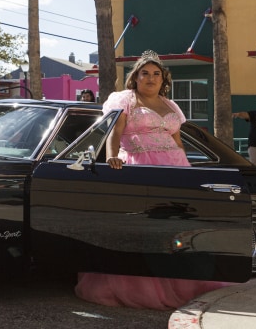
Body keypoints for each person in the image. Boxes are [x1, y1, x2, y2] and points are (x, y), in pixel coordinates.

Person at [75, 50, 231, 310]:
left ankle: (185, 281)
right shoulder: (125, 99)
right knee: (144, 229)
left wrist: (187, 169)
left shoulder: (171, 106)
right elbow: (115, 132)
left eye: (156, 74)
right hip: (140, 166)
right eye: (145, 73)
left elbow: (177, 141)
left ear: (163, 79)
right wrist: (113, 158)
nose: (150, 78)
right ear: (135, 78)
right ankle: (141, 286)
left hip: (174, 169)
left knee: (175, 229)